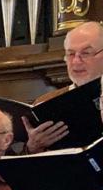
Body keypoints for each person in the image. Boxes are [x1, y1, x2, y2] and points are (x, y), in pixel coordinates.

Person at [25, 21, 103, 153]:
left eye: (86, 53)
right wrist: (33, 147)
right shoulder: (45, 103)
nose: (76, 61)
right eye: (71, 54)